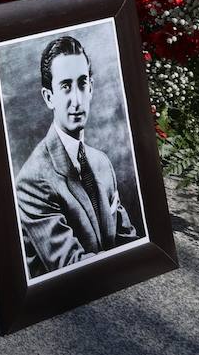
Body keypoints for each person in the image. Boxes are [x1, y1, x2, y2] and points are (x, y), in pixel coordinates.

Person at [16, 37, 139, 278]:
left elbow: (127, 239)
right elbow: (72, 265)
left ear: (91, 88)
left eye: (82, 84)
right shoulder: (33, 180)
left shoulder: (101, 163)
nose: (77, 100)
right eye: (65, 86)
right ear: (49, 97)